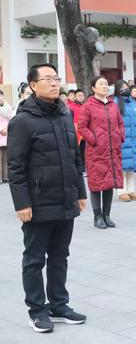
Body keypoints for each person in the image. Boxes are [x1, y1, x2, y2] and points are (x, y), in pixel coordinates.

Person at [7, 63, 87, 333]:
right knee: (34, 259)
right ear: (33, 85)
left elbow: (75, 157)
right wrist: (22, 203)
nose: (54, 83)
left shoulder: (64, 115)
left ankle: (59, 305)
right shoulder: (22, 121)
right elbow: (15, 167)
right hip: (38, 202)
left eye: (56, 78)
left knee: (59, 256)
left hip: (65, 199)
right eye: (48, 79)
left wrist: (80, 192)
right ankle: (37, 310)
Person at [78, 76, 124, 229]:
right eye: (101, 84)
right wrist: (94, 140)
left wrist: (120, 136)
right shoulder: (88, 106)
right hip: (96, 152)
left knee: (109, 183)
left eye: (106, 84)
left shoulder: (113, 105)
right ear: (93, 88)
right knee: (97, 184)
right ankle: (97, 216)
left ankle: (107, 215)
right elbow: (82, 127)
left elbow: (120, 123)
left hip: (112, 151)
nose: (104, 86)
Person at [114, 81, 136, 202]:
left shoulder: (133, 103)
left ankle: (131, 190)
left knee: (131, 166)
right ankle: (121, 190)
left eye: (126, 87)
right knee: (122, 166)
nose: (125, 89)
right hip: (122, 138)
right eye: (122, 88)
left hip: (133, 138)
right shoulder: (115, 102)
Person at [67, 89, 86, 161]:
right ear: (74, 97)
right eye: (79, 95)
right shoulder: (70, 107)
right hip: (76, 134)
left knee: (84, 152)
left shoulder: (85, 107)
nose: (81, 97)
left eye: (82, 95)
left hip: (85, 134)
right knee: (78, 153)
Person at [0, 89, 12, 183]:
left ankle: (6, 176)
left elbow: (10, 118)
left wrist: (7, 129)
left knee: (6, 158)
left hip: (6, 135)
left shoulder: (8, 107)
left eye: (1, 95)